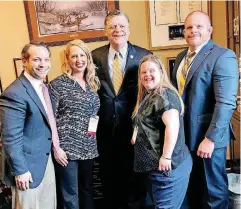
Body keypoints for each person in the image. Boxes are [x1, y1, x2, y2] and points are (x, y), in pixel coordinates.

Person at [171, 11, 239, 209]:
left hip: (208, 138)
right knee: (194, 188)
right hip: (186, 137)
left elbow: (226, 103)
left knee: (213, 193)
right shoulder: (182, 56)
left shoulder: (223, 56)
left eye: (199, 26)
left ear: (210, 30)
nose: (193, 31)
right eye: (189, 27)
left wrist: (210, 139)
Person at [91, 10, 152, 209]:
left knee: (134, 177)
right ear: (105, 31)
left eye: (122, 26)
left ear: (129, 30)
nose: (118, 30)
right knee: (108, 176)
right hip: (105, 129)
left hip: (134, 129)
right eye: (112, 26)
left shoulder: (144, 56)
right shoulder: (94, 57)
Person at [0, 41, 57, 209]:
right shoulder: (14, 93)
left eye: (46, 60)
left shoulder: (42, 87)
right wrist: (20, 170)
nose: (43, 64)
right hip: (27, 170)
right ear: (24, 61)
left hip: (45, 162)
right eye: (37, 59)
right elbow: (10, 137)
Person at [132, 54, 192, 209]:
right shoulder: (149, 95)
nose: (147, 75)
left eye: (151, 71)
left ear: (161, 72)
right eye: (143, 72)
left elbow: (172, 126)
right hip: (154, 169)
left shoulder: (164, 95)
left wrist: (166, 156)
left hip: (167, 169)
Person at [49, 39, 100, 209]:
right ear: (67, 60)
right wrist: (56, 148)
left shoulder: (93, 83)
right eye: (74, 56)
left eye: (82, 55)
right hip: (67, 150)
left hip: (88, 147)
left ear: (88, 57)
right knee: (70, 193)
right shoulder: (57, 85)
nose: (79, 60)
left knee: (87, 189)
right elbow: (50, 119)